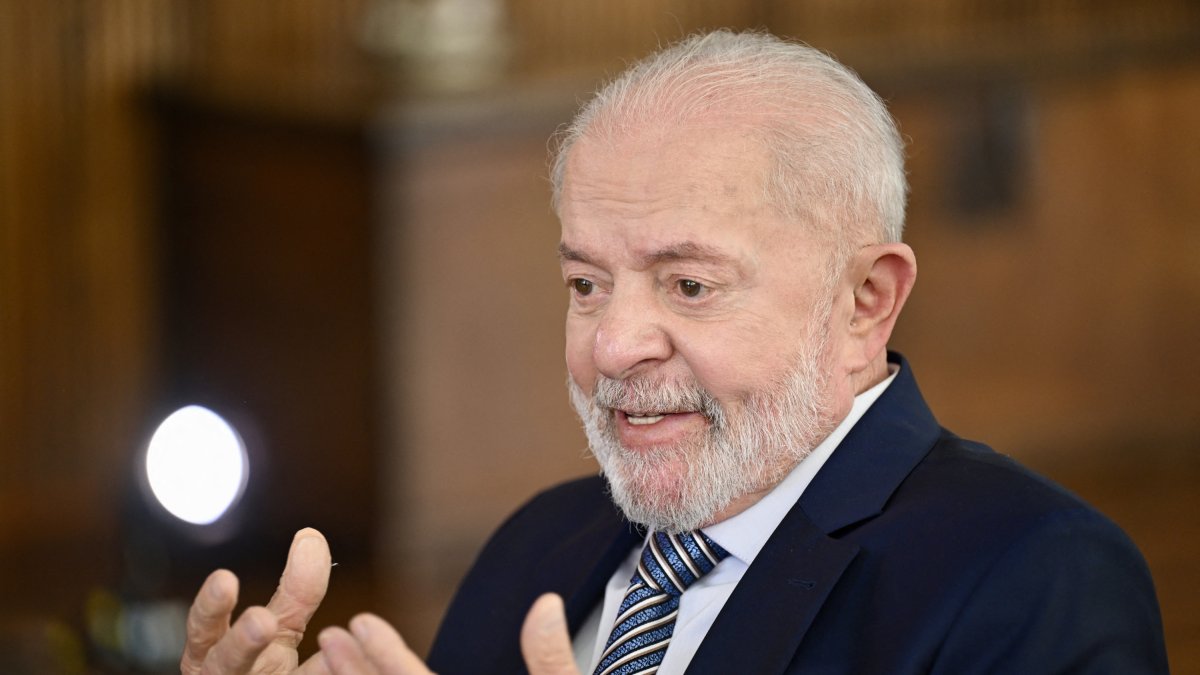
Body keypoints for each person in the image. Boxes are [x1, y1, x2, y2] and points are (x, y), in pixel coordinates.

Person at [181, 30, 1169, 675]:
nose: (611, 343)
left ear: (865, 301)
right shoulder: (539, 547)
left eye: (689, 285)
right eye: (586, 284)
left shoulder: (1032, 575)